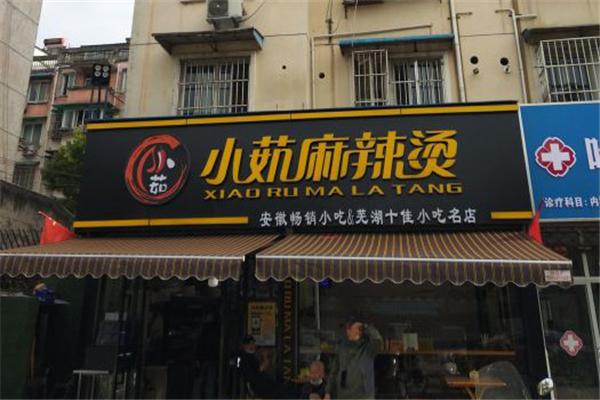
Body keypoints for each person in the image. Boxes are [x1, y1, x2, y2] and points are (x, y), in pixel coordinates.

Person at [325, 316, 383, 399]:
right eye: (346, 328)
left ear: (358, 329)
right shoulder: (342, 347)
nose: (347, 331)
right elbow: (334, 371)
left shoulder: (368, 348)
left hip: (364, 396)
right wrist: (328, 392)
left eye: (350, 328)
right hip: (343, 395)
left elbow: (378, 341)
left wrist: (366, 327)